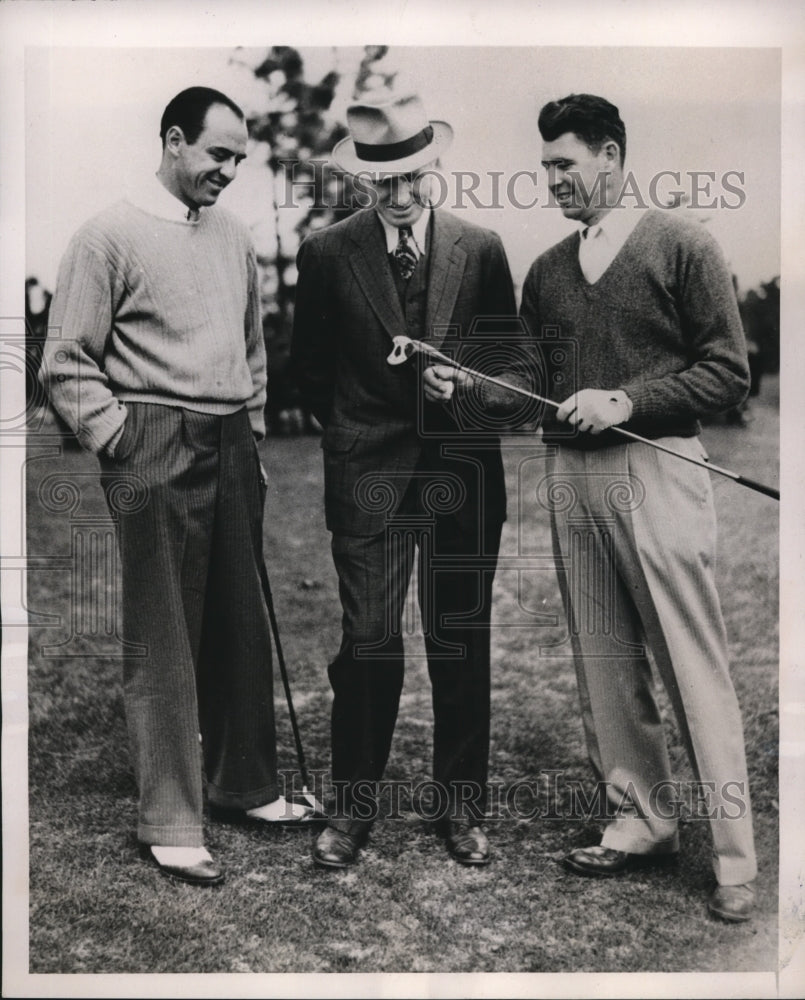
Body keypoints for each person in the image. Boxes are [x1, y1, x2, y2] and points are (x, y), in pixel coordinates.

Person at [39, 86, 314, 888]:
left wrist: (253, 434)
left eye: (239, 158)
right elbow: (65, 359)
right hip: (151, 440)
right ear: (172, 141)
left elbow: (251, 351)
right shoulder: (106, 237)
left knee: (238, 622)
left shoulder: (231, 237)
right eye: (217, 154)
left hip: (231, 442)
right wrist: (121, 441)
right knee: (162, 635)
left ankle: (246, 786)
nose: (229, 171)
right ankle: (170, 818)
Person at [521, 93, 757, 922]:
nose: (552, 180)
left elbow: (729, 373)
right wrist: (464, 384)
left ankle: (733, 859)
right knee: (602, 659)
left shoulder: (681, 245)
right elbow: (531, 386)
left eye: (566, 165)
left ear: (612, 157)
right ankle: (639, 818)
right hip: (569, 477)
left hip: (658, 468)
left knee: (690, 660)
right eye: (545, 166)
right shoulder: (546, 270)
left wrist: (625, 399)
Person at [291, 88, 524, 869]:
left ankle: (460, 808)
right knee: (369, 641)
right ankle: (352, 811)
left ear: (435, 170)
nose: (398, 197)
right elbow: (309, 376)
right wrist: (376, 420)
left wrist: (468, 392)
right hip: (369, 478)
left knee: (458, 639)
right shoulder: (326, 254)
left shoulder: (482, 247)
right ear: (362, 180)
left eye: (412, 180)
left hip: (463, 473)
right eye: (381, 183)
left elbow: (512, 368)